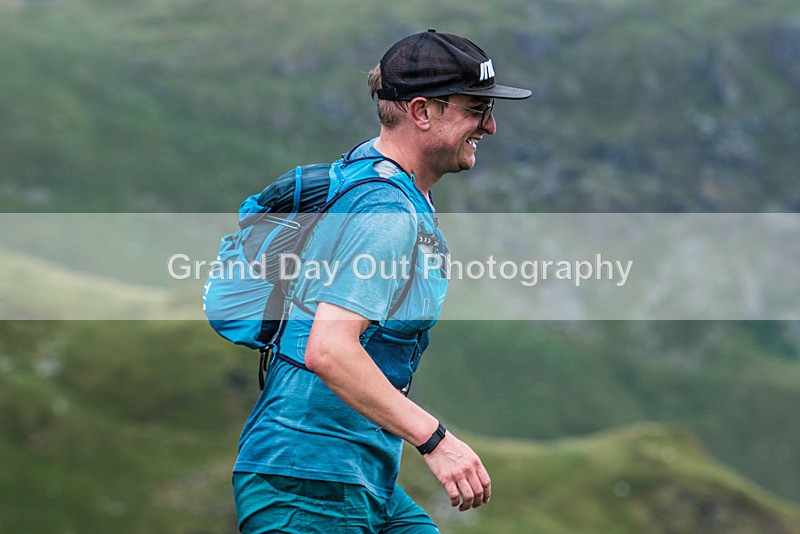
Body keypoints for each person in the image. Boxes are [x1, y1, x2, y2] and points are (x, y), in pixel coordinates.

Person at [232, 29, 531, 533]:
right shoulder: (386, 210)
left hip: (353, 477)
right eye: (477, 109)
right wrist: (438, 441)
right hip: (309, 483)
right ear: (421, 112)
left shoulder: (368, 176)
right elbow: (328, 349)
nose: (492, 126)